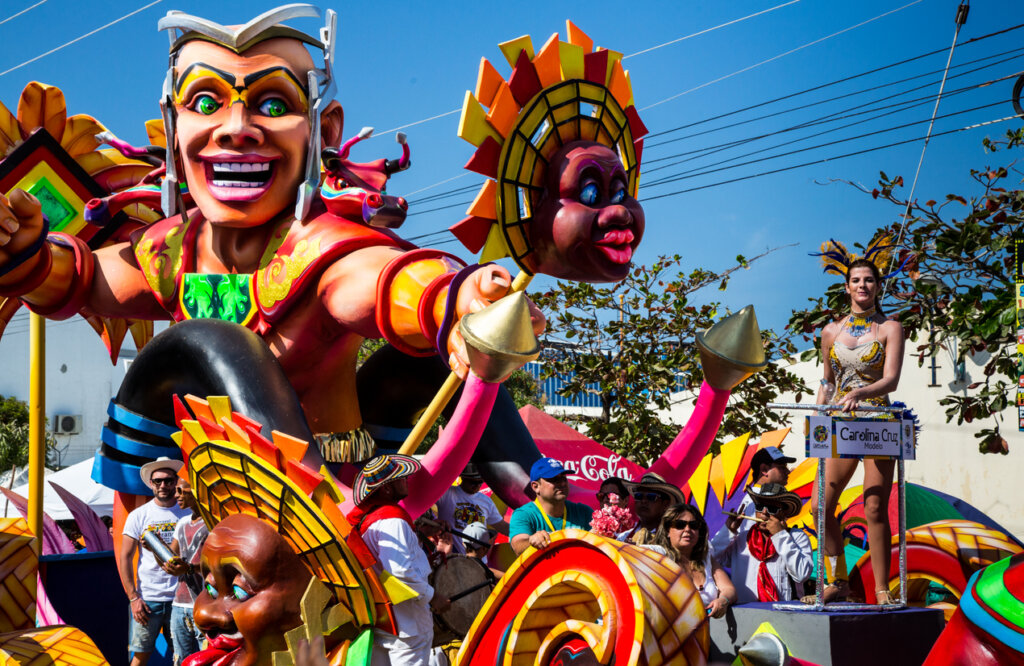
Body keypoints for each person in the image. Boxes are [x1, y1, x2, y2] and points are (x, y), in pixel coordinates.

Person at [811, 249, 905, 604]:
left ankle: (882, 589)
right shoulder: (830, 331)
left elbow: (892, 380)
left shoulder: (891, 328)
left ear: (878, 287)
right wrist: (818, 413)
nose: (862, 285)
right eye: (856, 280)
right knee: (821, 506)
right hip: (839, 425)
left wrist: (862, 391)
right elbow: (828, 381)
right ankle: (837, 580)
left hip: (877, 422)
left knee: (875, 507)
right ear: (847, 287)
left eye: (869, 279)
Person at [347, 454, 451, 665]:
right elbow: (400, 572)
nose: (407, 480)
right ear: (386, 489)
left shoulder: (369, 521)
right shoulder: (394, 522)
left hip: (385, 621)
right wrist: (433, 596)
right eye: (400, 478)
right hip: (408, 624)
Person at [118, 457, 190, 666]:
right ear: (151, 484)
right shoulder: (138, 515)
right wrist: (133, 598)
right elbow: (125, 557)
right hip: (149, 598)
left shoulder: (188, 512)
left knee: (185, 656)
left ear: (175, 482)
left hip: (182, 598)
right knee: (140, 655)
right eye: (157, 481)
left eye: (168, 480)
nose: (163, 485)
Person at [711, 483, 812, 604]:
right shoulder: (742, 537)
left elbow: (801, 575)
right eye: (759, 507)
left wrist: (780, 535)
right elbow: (711, 558)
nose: (764, 513)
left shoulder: (796, 537)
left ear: (783, 514)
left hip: (784, 613)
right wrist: (728, 531)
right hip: (745, 612)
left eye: (772, 508)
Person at [656, 504, 736, 619]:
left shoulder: (706, 558)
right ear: (668, 531)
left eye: (693, 525)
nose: (687, 529)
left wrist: (723, 600)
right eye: (680, 525)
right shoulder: (658, 555)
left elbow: (729, 589)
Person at [163, 478, 208, 665]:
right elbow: (170, 557)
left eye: (181, 491)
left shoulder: (212, 523)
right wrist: (154, 546)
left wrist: (189, 568)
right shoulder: (182, 523)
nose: (176, 496)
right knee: (181, 660)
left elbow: (218, 565)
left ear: (196, 491)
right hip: (179, 605)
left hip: (204, 605)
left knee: (206, 659)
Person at [509, 458, 593, 555]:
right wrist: (531, 541)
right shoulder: (524, 514)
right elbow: (518, 546)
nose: (562, 483)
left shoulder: (583, 511)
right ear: (535, 487)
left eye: (563, 478)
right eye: (554, 480)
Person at [435, 464, 508, 554]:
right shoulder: (446, 494)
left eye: (480, 482)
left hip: (478, 560)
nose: (477, 486)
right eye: (473, 482)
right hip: (452, 557)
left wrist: (521, 534)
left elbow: (501, 526)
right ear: (462, 478)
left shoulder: (486, 501)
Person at [723, 446, 796, 533]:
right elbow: (756, 542)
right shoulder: (758, 499)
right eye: (782, 467)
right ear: (764, 469)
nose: (787, 471)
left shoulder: (754, 496)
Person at [617, 472, 685, 546]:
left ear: (665, 504)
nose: (643, 501)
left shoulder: (673, 539)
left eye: (651, 497)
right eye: (638, 496)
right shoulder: (622, 538)